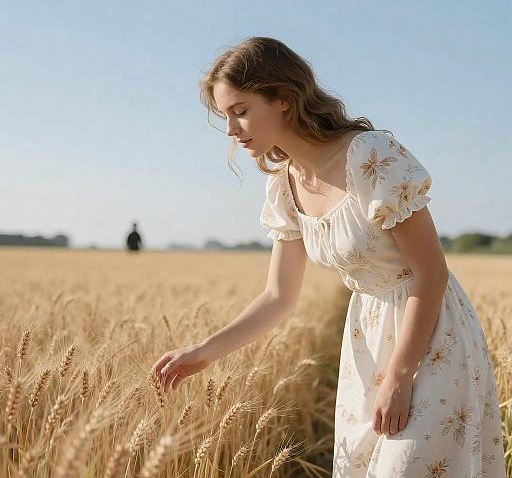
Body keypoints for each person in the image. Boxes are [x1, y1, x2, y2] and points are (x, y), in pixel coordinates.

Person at [151, 37, 506, 477]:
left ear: (283, 99)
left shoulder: (371, 156)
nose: (230, 129)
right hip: (366, 342)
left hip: (430, 335)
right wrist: (204, 352)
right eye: (224, 116)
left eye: (240, 110)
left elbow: (431, 273)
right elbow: (278, 297)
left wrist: (399, 376)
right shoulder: (284, 186)